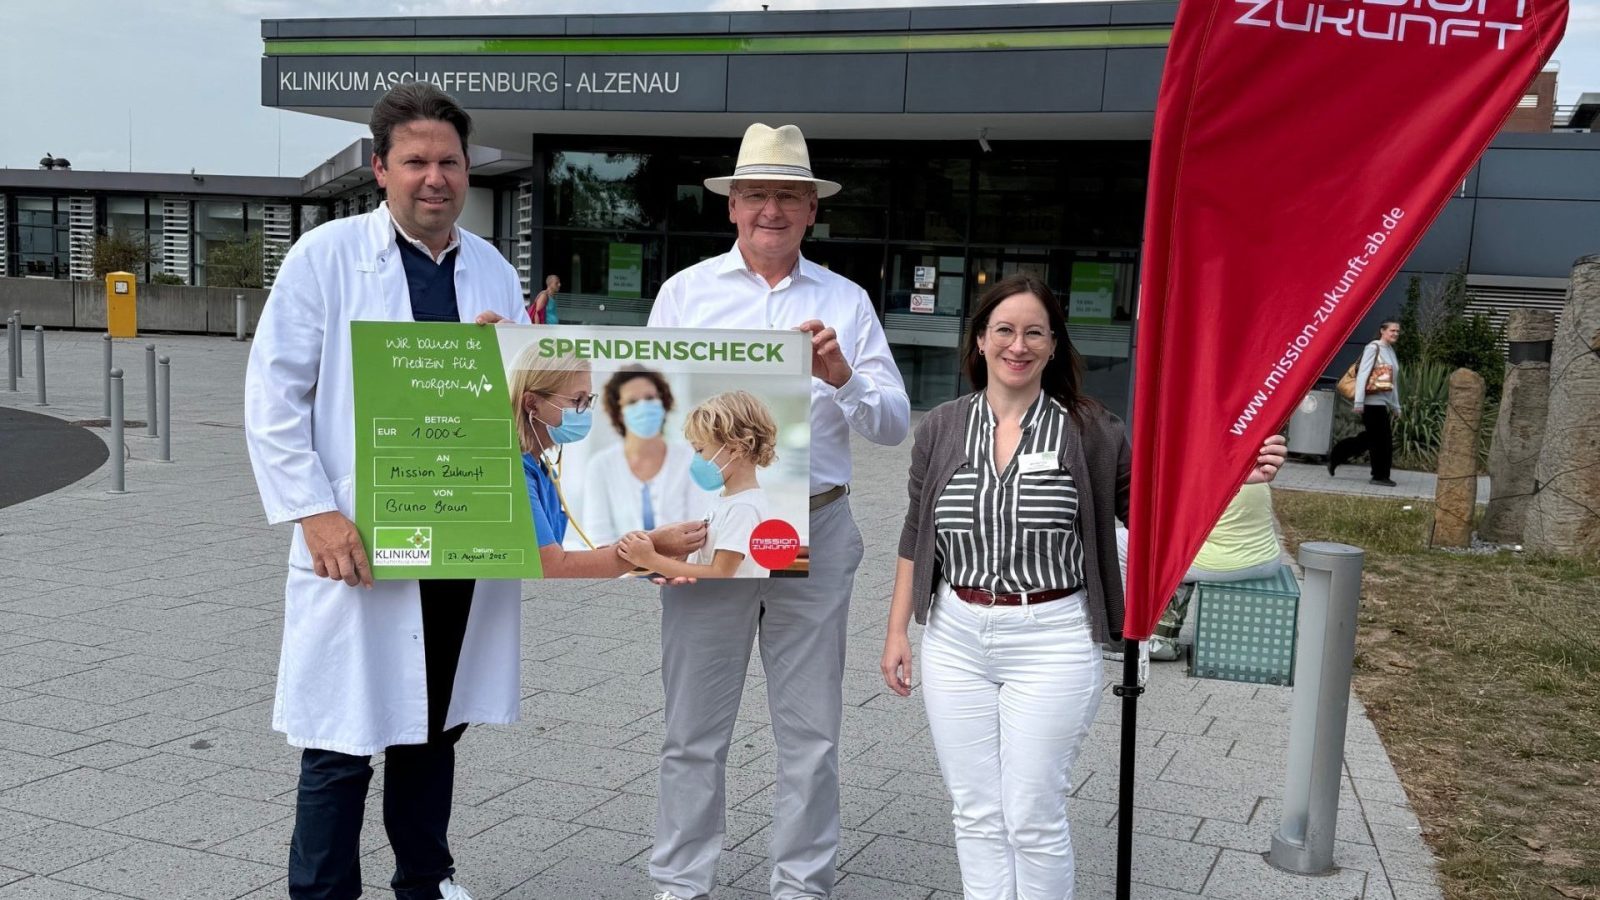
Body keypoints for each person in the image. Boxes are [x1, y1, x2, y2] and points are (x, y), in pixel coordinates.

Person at [879, 275, 1287, 900]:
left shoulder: (1091, 429)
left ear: (1052, 345)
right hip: (955, 635)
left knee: (1032, 814)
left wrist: (1235, 472)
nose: (1019, 344)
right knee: (975, 811)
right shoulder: (940, 427)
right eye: (1005, 330)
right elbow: (916, 531)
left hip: (1051, 637)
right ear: (981, 341)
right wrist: (896, 632)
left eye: (1034, 332)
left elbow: (1150, 513)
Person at [244, 83, 523, 900]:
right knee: (338, 738)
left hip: (458, 538)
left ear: (468, 169)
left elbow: (521, 410)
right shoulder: (324, 259)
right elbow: (272, 398)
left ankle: (425, 880)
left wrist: (518, 375)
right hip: (358, 539)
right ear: (380, 170)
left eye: (449, 161)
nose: (433, 178)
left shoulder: (495, 272)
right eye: (415, 162)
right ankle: (323, 893)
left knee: (434, 729)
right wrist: (317, 514)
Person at [646, 123, 910, 900]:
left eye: (788, 197)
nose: (771, 210)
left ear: (811, 211)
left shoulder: (846, 302)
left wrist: (841, 378)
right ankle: (680, 883)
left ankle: (801, 886)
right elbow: (659, 423)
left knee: (810, 735)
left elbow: (893, 425)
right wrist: (657, 542)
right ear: (732, 206)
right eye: (756, 194)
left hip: (818, 527)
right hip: (710, 530)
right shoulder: (685, 292)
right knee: (692, 730)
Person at [505, 346, 706, 577]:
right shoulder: (514, 472)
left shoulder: (542, 471)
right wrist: (654, 544)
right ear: (532, 404)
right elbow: (552, 567)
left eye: (587, 400)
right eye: (576, 400)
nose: (584, 410)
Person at [618, 390, 778, 579]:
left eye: (700, 450)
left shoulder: (743, 508)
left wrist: (650, 560)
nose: (695, 459)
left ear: (736, 449)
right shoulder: (725, 500)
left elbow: (720, 574)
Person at [581, 366, 706, 546]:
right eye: (632, 402)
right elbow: (598, 539)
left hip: (684, 571)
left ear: (663, 402)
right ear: (619, 413)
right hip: (621, 573)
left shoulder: (690, 459)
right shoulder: (601, 465)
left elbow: (699, 529)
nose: (644, 406)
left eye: (650, 398)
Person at [1328, 319, 1402, 486]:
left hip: (1382, 402)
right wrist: (1359, 402)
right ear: (1382, 331)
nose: (1396, 333)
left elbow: (1393, 382)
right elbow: (1362, 375)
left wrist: (1396, 406)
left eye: (1397, 331)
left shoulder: (1390, 351)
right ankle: (1379, 476)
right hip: (1370, 402)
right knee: (1381, 441)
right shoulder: (1373, 348)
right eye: (1392, 330)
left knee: (1370, 439)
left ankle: (1338, 455)